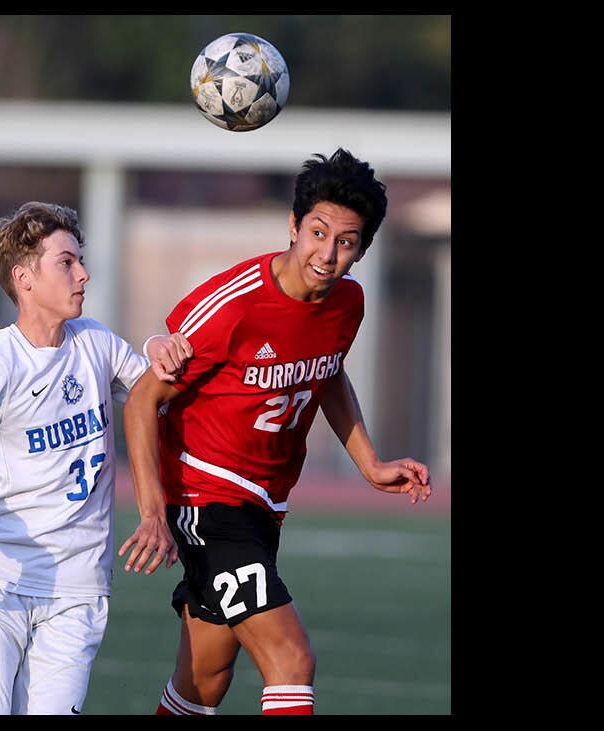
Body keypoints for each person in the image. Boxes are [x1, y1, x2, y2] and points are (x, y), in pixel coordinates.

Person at [118, 149, 432, 716]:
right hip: (207, 497)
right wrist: (152, 511)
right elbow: (143, 399)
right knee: (291, 661)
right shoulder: (234, 305)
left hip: (264, 504)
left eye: (347, 242)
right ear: (292, 225)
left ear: (362, 248)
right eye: (317, 232)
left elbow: (329, 372)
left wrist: (370, 463)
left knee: (205, 680)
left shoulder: (348, 303)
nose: (328, 253)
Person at [0, 201, 191, 715]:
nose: (84, 274)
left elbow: (157, 396)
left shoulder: (96, 342)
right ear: (23, 277)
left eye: (80, 261)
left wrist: (156, 346)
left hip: (79, 588)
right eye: (67, 262)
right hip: (1, 582)